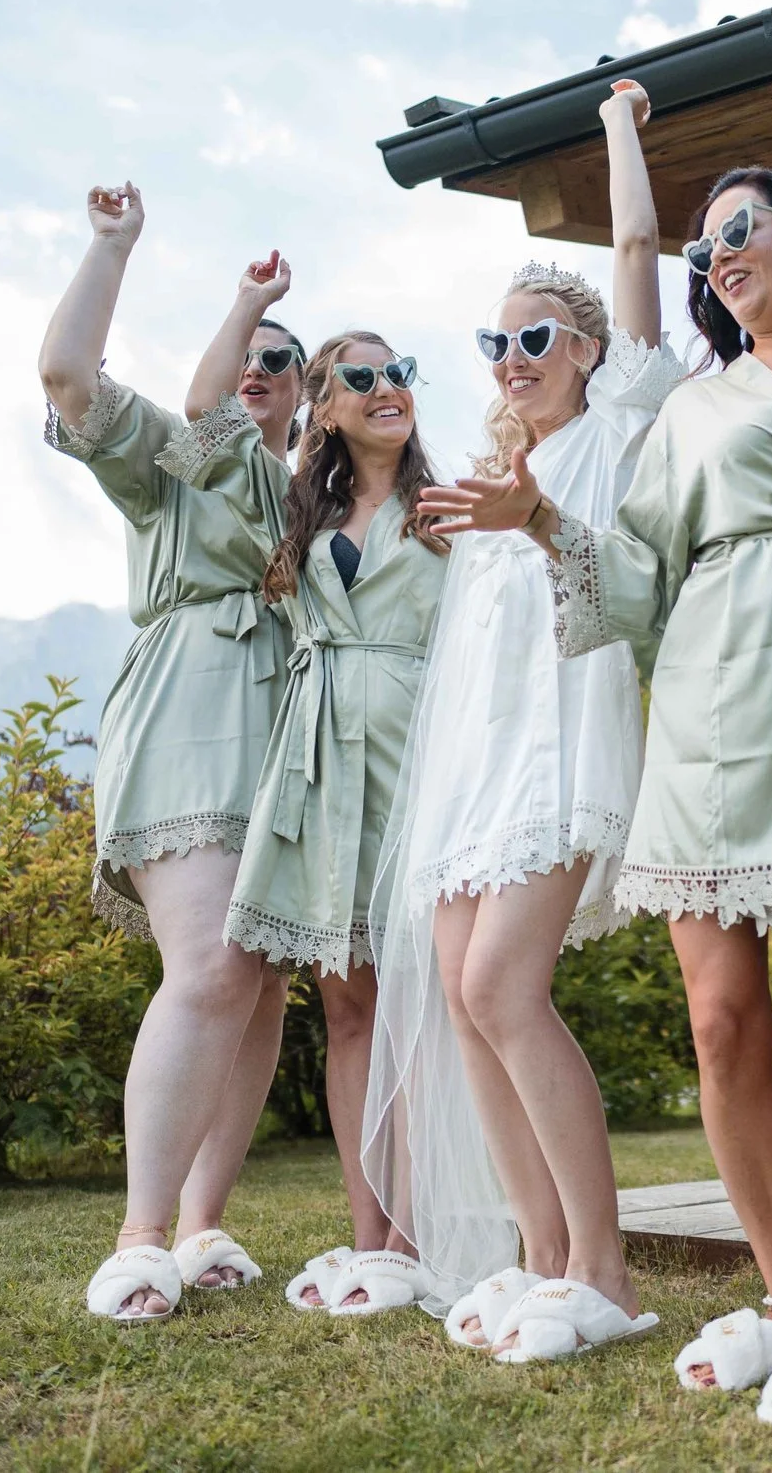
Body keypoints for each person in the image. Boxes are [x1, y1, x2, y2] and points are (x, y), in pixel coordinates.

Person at [421, 168, 772, 1423]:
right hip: (705, 713)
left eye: (736, 230)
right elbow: (634, 579)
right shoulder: (692, 412)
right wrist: (540, 519)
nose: (716, 255)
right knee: (719, 1022)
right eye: (703, 246)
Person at [365, 80, 681, 1360]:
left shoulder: (621, 425)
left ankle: (601, 1266)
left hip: (561, 751)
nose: (513, 362)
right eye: (496, 344)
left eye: (537, 338)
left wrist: (619, 127)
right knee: (454, 988)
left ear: (589, 351)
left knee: (504, 980)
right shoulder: (493, 467)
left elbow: (639, 257)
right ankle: (540, 1254)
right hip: (474, 768)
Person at [44, 186, 307, 1325]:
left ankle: (204, 1224)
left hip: (299, 726)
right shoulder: (175, 456)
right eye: (242, 351)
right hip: (196, 697)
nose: (257, 367)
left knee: (261, 989)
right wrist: (112, 248)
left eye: (281, 357)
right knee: (205, 965)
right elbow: (65, 374)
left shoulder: (320, 497)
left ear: (305, 390)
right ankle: (138, 1235)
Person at [170, 324, 452, 1315]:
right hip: (321, 766)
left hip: (418, 757)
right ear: (322, 407)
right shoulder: (291, 508)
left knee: (424, 1000)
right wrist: (251, 303)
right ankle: (370, 1236)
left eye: (398, 369)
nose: (386, 386)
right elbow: (201, 431)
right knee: (348, 1007)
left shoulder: (449, 506)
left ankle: (422, 1233)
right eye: (359, 376)